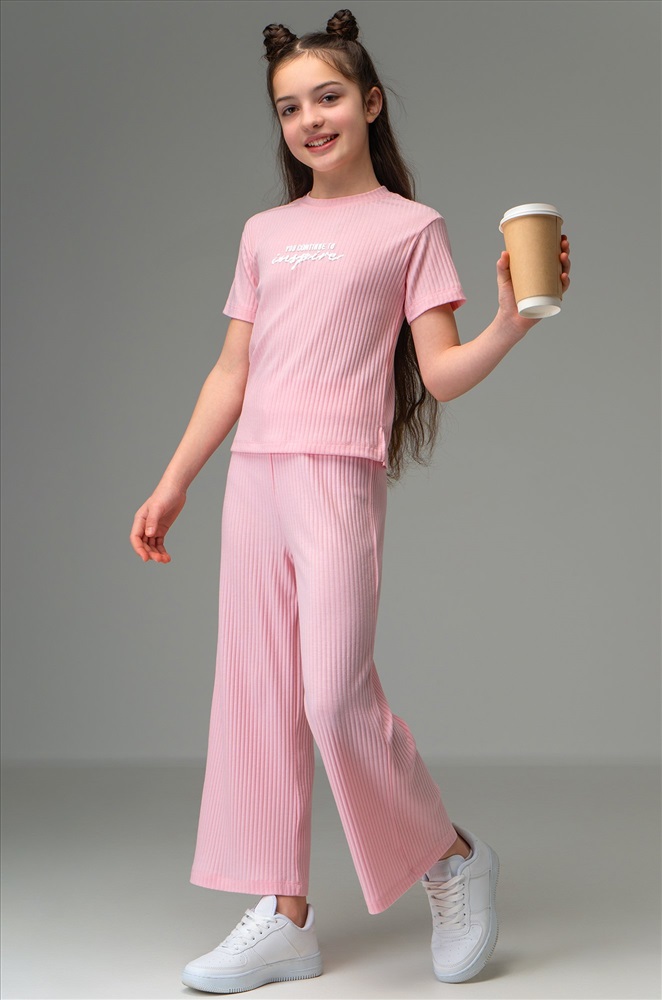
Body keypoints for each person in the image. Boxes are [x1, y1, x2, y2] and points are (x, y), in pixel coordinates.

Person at [130, 8, 571, 994]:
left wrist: (509, 322)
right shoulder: (264, 233)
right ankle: (284, 917)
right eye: (289, 107)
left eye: (326, 97)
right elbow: (232, 371)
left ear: (370, 103)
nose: (309, 119)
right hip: (254, 478)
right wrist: (174, 480)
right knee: (256, 694)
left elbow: (439, 373)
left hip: (337, 474)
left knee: (333, 697)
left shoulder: (411, 228)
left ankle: (452, 856)